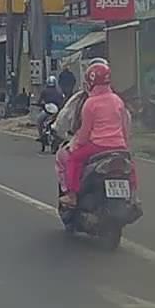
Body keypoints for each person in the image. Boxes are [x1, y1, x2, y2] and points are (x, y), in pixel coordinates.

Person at [61, 63, 131, 206]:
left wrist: (77, 145)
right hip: (119, 145)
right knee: (130, 165)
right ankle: (133, 193)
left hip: (98, 146)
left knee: (73, 159)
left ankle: (72, 195)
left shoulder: (90, 103)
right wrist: (125, 145)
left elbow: (85, 132)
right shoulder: (117, 100)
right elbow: (124, 127)